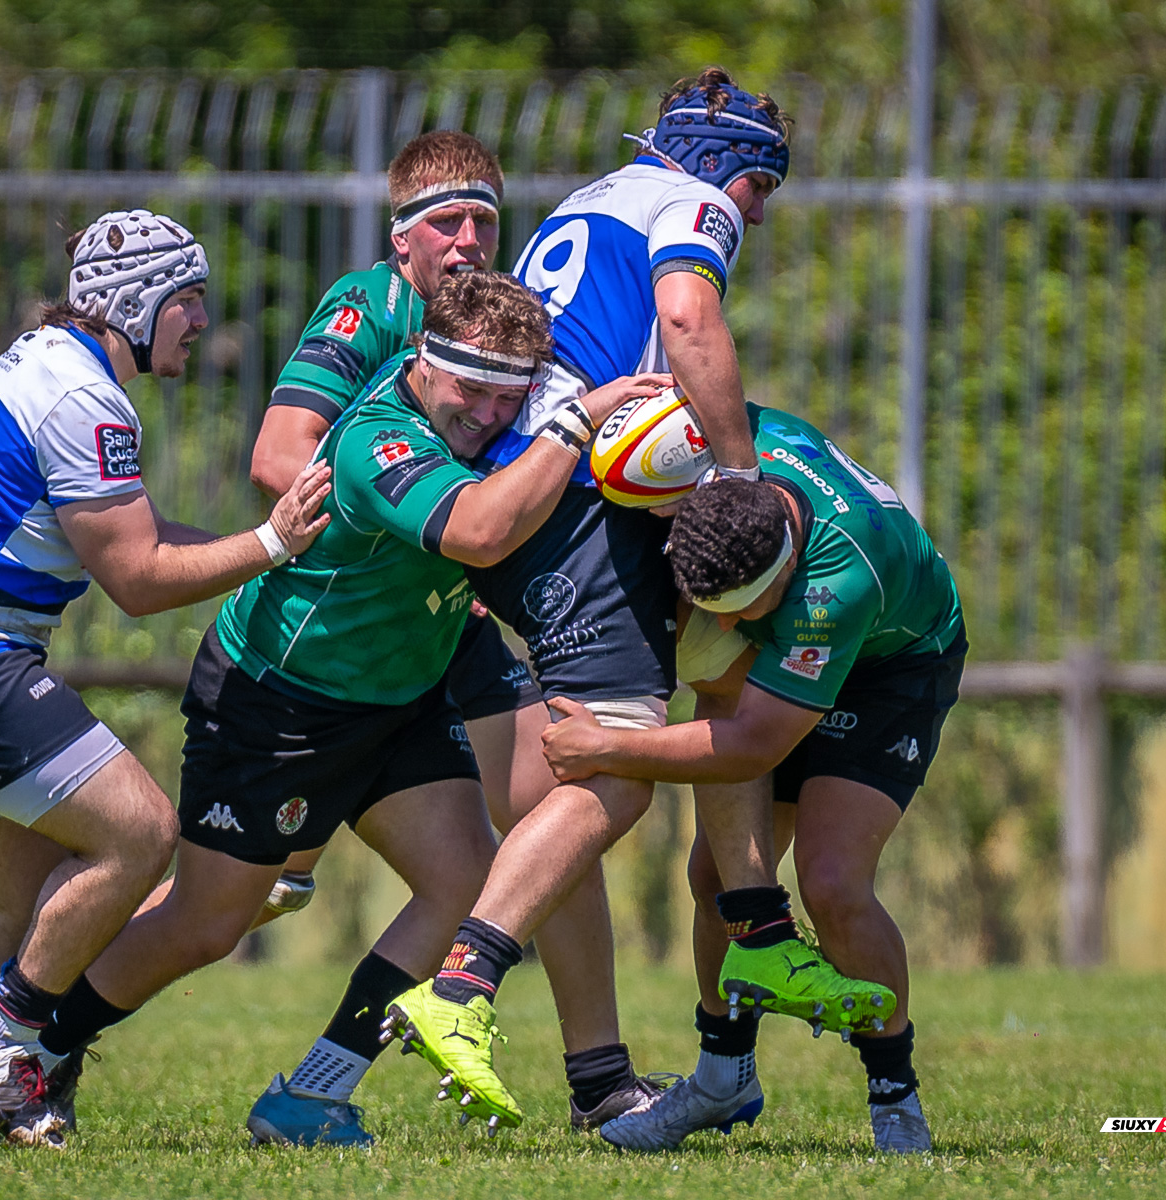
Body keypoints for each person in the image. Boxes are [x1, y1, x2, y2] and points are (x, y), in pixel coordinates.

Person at [29, 273, 679, 1146]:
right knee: (206, 924)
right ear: (423, 361)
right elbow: (480, 531)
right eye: (471, 390)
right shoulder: (378, 438)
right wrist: (573, 422)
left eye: (508, 398)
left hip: (402, 696)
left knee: (463, 880)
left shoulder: (481, 411)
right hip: (281, 703)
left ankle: (312, 1095)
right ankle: (36, 1046)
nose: (489, 415)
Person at [381, 67, 890, 1133]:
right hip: (566, 505)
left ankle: (759, 931)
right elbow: (687, 315)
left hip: (552, 488)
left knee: (721, 662)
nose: (757, 214)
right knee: (615, 774)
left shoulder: (593, 198)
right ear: (722, 166)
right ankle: (461, 985)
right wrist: (740, 473)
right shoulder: (693, 202)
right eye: (760, 188)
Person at [162, 129, 668, 1131]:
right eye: (447, 220)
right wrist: (425, 527)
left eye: (485, 219)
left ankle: (599, 1080)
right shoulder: (368, 308)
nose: (469, 239)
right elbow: (278, 459)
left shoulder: (507, 310)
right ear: (401, 236)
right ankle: (31, 1020)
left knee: (559, 812)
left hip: (446, 611)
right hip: (362, 620)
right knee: (209, 912)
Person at [0, 208, 331, 1148]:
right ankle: (6, 1047)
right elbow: (138, 580)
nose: (201, 321)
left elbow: (136, 533)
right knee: (141, 833)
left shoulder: (48, 364)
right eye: (188, 299)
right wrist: (272, 542)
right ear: (136, 303)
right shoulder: (87, 401)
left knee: (13, 895)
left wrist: (268, 556)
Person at [540, 403, 967, 1154]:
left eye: (743, 610)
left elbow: (746, 746)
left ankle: (895, 1096)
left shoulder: (834, 583)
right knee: (716, 878)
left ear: (786, 570)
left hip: (891, 668)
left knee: (832, 884)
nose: (730, 625)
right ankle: (723, 1077)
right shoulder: (719, 455)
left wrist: (605, 746)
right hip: (795, 652)